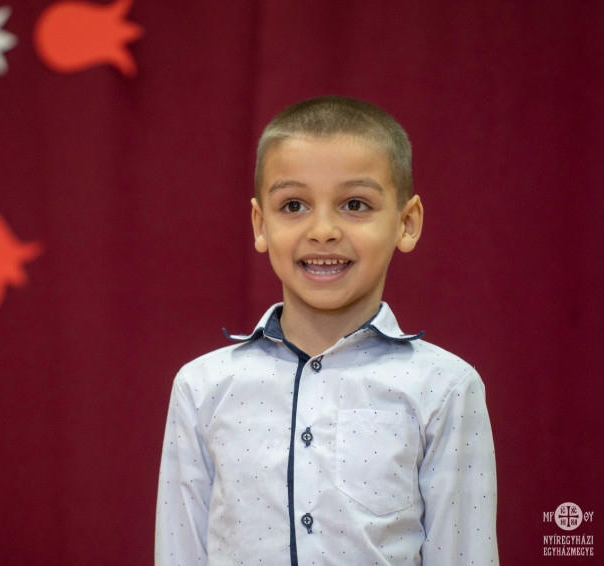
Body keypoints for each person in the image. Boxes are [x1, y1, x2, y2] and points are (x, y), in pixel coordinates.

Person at [154, 96, 498, 565]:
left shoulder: (446, 387)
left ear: (407, 223)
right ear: (260, 225)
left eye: (355, 204)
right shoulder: (201, 387)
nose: (322, 230)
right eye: (293, 205)